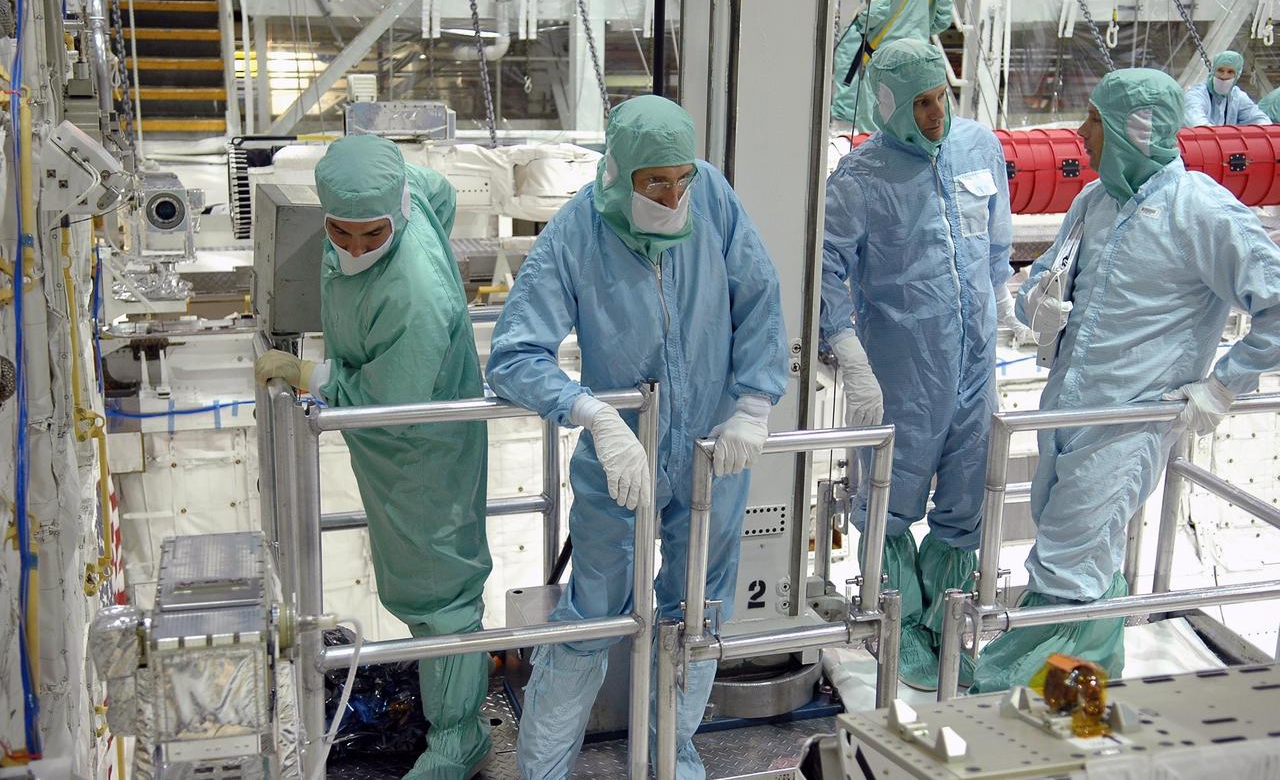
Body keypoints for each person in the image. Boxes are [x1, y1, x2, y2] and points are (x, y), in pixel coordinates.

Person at [486, 95, 788, 779]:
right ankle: (544, 766)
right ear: (619, 173)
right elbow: (513, 355)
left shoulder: (712, 195)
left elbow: (759, 295)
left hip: (713, 452)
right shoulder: (578, 231)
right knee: (594, 612)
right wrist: (590, 412)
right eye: (656, 181)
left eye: (682, 177)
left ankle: (670, 752)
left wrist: (753, 401)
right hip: (621, 459)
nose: (674, 194)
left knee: (700, 608)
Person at [971, 69, 1280, 693]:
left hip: (1129, 423)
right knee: (1067, 552)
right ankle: (1067, 695)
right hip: (1064, 412)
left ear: (1135, 131)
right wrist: (1039, 303)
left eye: (1095, 121)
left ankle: (1057, 707)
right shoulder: (1094, 202)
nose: (1081, 134)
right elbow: (1047, 284)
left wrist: (1222, 388)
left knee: (1070, 564)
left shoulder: (1200, 210)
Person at [254, 135, 493, 779]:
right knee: (419, 586)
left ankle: (458, 739)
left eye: (373, 234)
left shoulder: (414, 293)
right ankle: (447, 707)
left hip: (421, 449)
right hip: (393, 452)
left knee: (439, 591)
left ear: (396, 213)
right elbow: (435, 189)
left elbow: (392, 400)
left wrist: (311, 374)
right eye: (340, 231)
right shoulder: (399, 198)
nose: (355, 248)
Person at [820, 39, 1017, 691]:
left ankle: (950, 625)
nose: (937, 113)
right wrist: (847, 351)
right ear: (890, 106)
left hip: (975, 364)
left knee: (967, 497)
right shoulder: (861, 179)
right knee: (890, 500)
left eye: (942, 97)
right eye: (922, 103)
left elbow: (995, 243)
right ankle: (895, 626)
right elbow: (823, 270)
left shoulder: (978, 147)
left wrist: (1004, 305)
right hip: (905, 370)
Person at [832, 0, 954, 132]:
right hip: (920, 59)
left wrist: (860, 24)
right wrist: (918, 27)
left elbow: (875, 8)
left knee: (876, 129)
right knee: (912, 127)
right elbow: (943, 18)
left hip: (885, 59)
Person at [1184, 50, 1271, 126]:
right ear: (1213, 71)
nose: (1224, 76)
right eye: (1220, 70)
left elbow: (1258, 117)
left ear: (1237, 75)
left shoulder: (1237, 96)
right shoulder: (1197, 94)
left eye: (1230, 72)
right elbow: (1196, 121)